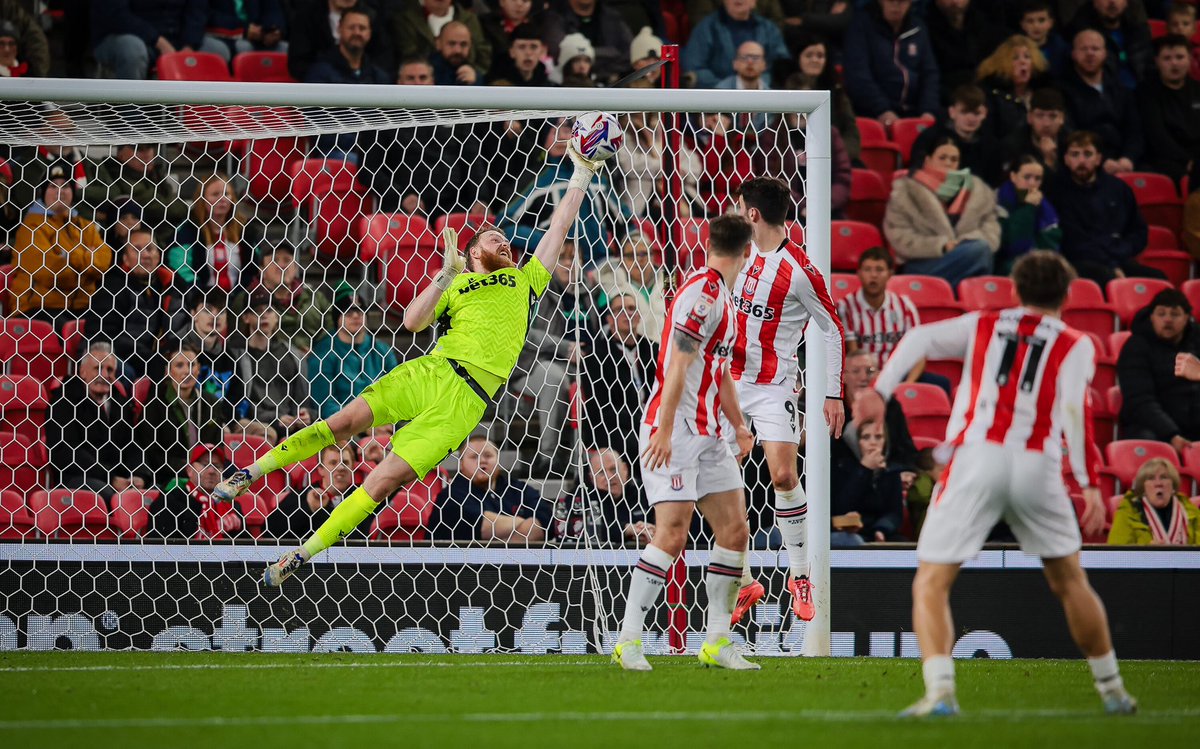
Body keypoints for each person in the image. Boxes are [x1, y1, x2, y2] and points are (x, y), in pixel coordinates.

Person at [212, 131, 610, 586]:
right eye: (495, 239)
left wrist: (581, 171)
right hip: (430, 372)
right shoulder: (456, 283)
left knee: (382, 483)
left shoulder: (525, 280)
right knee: (342, 424)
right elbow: (412, 322)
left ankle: (302, 554)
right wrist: (444, 274)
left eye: (507, 241)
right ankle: (249, 472)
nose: (506, 245)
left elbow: (557, 229)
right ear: (474, 251)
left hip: (465, 403)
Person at [854, 250, 1136, 717]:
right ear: (1067, 295)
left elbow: (919, 337)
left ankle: (941, 692)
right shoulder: (1077, 342)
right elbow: (1073, 412)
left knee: (931, 581)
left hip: (976, 458)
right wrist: (1087, 484)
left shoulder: (985, 323)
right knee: (1069, 580)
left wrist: (880, 392)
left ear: (1015, 290)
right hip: (1036, 465)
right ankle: (1113, 691)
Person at [611, 213, 759, 672]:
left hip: (711, 433)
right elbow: (677, 364)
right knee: (672, 534)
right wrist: (664, 427)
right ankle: (628, 640)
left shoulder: (723, 296)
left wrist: (737, 425)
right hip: (674, 431)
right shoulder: (702, 295)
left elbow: (719, 372)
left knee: (735, 530)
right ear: (748, 252)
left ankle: (717, 639)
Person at [725, 176, 846, 626]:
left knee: (782, 472)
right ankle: (744, 580)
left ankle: (800, 576)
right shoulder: (735, 248)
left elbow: (832, 327)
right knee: (715, 478)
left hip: (774, 386)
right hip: (728, 384)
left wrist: (832, 391)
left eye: (741, 207)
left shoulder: (800, 270)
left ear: (753, 213)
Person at [510, 240, 598, 475]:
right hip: (531, 363)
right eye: (563, 259)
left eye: (574, 258)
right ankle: (548, 458)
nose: (569, 265)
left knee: (603, 378)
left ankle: (593, 458)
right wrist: (565, 347)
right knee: (555, 378)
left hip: (583, 362)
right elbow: (522, 332)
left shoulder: (588, 290)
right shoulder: (536, 288)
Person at [501, 118, 630, 269]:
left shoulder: (597, 178)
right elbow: (505, 225)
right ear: (543, 138)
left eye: (568, 130)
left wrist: (632, 244)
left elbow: (625, 222)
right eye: (554, 131)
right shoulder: (536, 179)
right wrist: (549, 241)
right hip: (555, 267)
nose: (561, 137)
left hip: (599, 266)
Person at [883, 137, 1000, 287]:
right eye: (942, 157)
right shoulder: (906, 192)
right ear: (928, 160)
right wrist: (942, 245)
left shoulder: (979, 193)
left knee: (981, 252)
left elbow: (991, 230)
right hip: (922, 262)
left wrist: (962, 243)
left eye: (954, 159)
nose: (948, 163)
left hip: (969, 257)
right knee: (980, 252)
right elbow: (899, 236)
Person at [1046, 131, 1160, 284]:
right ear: (1066, 159)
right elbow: (1073, 241)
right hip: (1077, 262)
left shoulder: (1118, 188)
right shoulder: (1057, 191)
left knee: (1159, 279)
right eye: (1075, 154)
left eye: (1087, 154)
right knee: (1106, 277)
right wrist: (1111, 265)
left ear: (1099, 159)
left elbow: (1139, 231)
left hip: (1117, 257)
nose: (1081, 160)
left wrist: (1122, 252)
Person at [11, 161, 112, 323]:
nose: (60, 191)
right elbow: (50, 274)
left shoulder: (84, 225)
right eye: (52, 186)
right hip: (38, 307)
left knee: (107, 325)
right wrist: (86, 261)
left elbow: (104, 261)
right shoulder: (31, 227)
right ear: (43, 192)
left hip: (81, 306)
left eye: (65, 186)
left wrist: (69, 257)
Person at [47, 342, 145, 501]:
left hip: (118, 479)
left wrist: (139, 475)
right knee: (112, 497)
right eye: (98, 368)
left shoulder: (120, 402)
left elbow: (133, 445)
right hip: (77, 478)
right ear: (82, 371)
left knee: (155, 495)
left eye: (110, 370)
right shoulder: (64, 401)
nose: (104, 375)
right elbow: (66, 452)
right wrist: (111, 478)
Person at [82, 226, 183, 378]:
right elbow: (103, 335)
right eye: (137, 250)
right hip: (115, 357)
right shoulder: (113, 286)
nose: (146, 255)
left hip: (152, 357)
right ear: (125, 258)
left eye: (150, 249)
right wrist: (148, 358)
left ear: (158, 255)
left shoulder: (170, 285)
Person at [136, 344, 231, 489]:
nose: (187, 371)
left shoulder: (212, 403)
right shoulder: (155, 404)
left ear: (198, 369)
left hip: (208, 473)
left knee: (240, 481)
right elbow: (152, 453)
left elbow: (218, 447)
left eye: (191, 365)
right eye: (180, 365)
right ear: (168, 371)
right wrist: (191, 469)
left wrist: (206, 470)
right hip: (170, 475)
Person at [1116, 289, 1200, 450]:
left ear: (1187, 318)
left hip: (1194, 425)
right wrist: (1171, 434)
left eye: (1174, 314)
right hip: (1153, 427)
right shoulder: (1136, 346)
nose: (1167, 319)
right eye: (1161, 314)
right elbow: (1139, 400)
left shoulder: (1197, 340)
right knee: (1148, 440)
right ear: (1151, 317)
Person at [581, 293, 658, 468]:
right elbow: (599, 408)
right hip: (613, 427)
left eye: (631, 308)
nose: (627, 313)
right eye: (619, 310)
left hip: (652, 422)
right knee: (637, 444)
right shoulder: (595, 355)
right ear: (609, 318)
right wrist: (640, 421)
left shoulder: (653, 350)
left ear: (638, 315)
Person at [427, 435, 550, 543]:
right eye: (474, 457)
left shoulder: (518, 489)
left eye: (488, 455)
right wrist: (526, 524)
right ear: (461, 464)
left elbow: (546, 523)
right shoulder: (450, 496)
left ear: (498, 460)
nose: (482, 461)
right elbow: (484, 527)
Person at [843, 0, 940, 126]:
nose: (896, 6)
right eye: (891, 1)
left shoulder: (918, 28)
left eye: (901, 1)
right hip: (872, 112)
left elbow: (930, 73)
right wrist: (882, 109)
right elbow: (858, 75)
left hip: (914, 111)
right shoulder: (860, 26)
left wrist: (928, 110)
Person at [1060, 28, 1143, 174]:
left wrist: (1128, 158)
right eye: (1084, 49)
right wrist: (1101, 160)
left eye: (1095, 48)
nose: (1090, 53)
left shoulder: (1121, 90)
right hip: (1085, 164)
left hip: (1124, 163)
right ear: (1073, 54)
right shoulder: (1062, 91)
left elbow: (1134, 131)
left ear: (1104, 54)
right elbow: (1069, 133)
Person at [837, 247, 925, 380]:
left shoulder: (905, 306)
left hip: (899, 375)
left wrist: (908, 384)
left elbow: (918, 353)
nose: (873, 275)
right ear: (859, 273)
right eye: (867, 270)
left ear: (890, 274)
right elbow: (855, 355)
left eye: (879, 270)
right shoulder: (846, 306)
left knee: (940, 384)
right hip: (863, 376)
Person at [306, 295, 398, 420]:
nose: (355, 316)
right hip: (343, 425)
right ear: (337, 318)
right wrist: (364, 424)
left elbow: (395, 391)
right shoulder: (323, 354)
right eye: (348, 312)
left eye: (360, 311)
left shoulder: (382, 350)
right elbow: (325, 405)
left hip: (383, 419)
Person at [168, 173, 260, 296]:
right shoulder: (187, 230)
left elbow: (252, 269)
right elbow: (181, 269)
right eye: (215, 194)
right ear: (202, 199)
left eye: (226, 194)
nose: (222, 199)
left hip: (239, 302)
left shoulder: (246, 230)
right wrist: (203, 297)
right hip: (199, 301)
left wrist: (239, 297)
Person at [776, 32, 861, 162]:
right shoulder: (784, 90)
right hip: (791, 159)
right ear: (798, 58)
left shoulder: (837, 93)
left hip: (833, 160)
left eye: (820, 56)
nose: (815, 60)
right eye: (809, 55)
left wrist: (833, 155)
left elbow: (851, 134)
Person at [236, 293, 312, 438]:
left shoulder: (291, 355)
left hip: (289, 423)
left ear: (277, 316)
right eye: (258, 311)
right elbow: (239, 404)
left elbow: (301, 399)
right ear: (246, 318)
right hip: (258, 422)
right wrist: (274, 417)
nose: (264, 315)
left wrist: (304, 415)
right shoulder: (237, 356)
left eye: (269, 310)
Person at [89, 0, 227, 80]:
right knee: (132, 49)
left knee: (217, 51)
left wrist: (189, 45)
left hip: (178, 40)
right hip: (126, 37)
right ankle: (130, 118)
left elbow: (197, 10)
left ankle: (203, 117)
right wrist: (158, 41)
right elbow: (116, 16)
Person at [232, 244, 331, 354]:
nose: (282, 266)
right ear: (262, 269)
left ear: (295, 267)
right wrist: (292, 353)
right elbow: (237, 339)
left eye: (287, 260)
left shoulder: (315, 297)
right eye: (275, 260)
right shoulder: (246, 299)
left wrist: (317, 353)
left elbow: (331, 332)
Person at [85, 144, 187, 247]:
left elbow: (181, 208)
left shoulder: (154, 174)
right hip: (144, 246)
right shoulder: (120, 177)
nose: (147, 154)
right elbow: (171, 209)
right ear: (120, 154)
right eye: (138, 149)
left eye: (149, 147)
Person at [267, 444, 371, 541]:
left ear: (353, 468)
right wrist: (308, 507)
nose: (340, 467)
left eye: (345, 462)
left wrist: (380, 459)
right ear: (320, 469)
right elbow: (270, 532)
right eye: (333, 463)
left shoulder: (363, 496)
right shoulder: (302, 496)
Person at [552, 447, 654, 546]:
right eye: (601, 472)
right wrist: (626, 530)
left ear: (625, 469)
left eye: (613, 469)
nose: (609, 477)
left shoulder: (645, 492)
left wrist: (651, 530)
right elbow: (576, 530)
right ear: (592, 478)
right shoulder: (580, 498)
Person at [909, 84, 1004, 187]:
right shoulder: (930, 138)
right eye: (964, 112)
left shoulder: (991, 145)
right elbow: (916, 173)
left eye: (976, 113)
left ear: (984, 113)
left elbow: (993, 184)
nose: (971, 118)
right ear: (952, 112)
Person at [829, 418, 906, 546]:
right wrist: (864, 470)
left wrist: (881, 529)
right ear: (856, 442)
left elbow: (895, 513)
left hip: (881, 532)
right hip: (849, 532)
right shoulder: (841, 468)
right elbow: (842, 505)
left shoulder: (891, 471)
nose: (873, 443)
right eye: (866, 437)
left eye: (878, 437)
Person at [681, 0, 789, 89]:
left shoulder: (769, 29)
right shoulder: (706, 28)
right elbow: (694, 68)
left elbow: (780, 66)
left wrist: (759, 85)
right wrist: (729, 86)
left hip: (764, 97)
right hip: (717, 99)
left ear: (754, 2)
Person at [147, 443, 244, 540]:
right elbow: (159, 548)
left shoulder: (232, 507)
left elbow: (247, 549)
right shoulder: (169, 502)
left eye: (217, 466)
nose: (211, 471)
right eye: (205, 465)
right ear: (189, 470)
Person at [1139, 34, 1200, 186]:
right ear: (1157, 61)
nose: (1174, 63)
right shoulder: (1145, 92)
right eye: (1167, 58)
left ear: (1190, 59)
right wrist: (1187, 160)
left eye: (1180, 57)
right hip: (1166, 159)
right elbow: (1158, 137)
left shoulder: (1198, 89)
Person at [286, 0, 394, 82]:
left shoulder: (374, 15)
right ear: (339, 28)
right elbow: (298, 63)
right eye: (351, 27)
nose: (357, 33)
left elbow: (384, 56)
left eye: (362, 28)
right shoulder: (307, 16)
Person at [976, 35, 1053, 142]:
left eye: (1027, 57)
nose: (1023, 62)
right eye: (1015, 58)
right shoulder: (992, 96)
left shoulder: (1045, 93)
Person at [926, 0, 1008, 100]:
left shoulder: (983, 22)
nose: (954, 2)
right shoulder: (925, 28)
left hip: (985, 94)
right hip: (944, 98)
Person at [1108, 457, 1200, 545]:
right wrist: (1147, 553)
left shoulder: (1190, 510)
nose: (1158, 483)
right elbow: (1117, 556)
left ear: (1173, 485)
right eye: (1151, 478)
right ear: (1143, 487)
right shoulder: (1128, 512)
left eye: (1164, 477)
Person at [592, 233, 667, 342]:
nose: (639, 260)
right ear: (621, 260)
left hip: (668, 347)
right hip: (633, 350)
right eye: (631, 256)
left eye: (643, 254)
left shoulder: (668, 280)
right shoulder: (610, 285)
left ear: (652, 256)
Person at [996, 154, 1062, 274]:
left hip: (1038, 261)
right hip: (1005, 263)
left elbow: (1051, 243)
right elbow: (1011, 244)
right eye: (1027, 177)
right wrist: (1028, 209)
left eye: (1038, 179)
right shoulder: (999, 201)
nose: (1032, 183)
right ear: (1013, 176)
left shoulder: (1045, 206)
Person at [544, 0, 634, 85]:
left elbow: (629, 52)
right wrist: (612, 52)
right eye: (578, 60)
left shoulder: (612, 16)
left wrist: (599, 73)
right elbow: (559, 51)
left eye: (587, 61)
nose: (583, 66)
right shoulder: (555, 16)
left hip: (608, 83)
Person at [1067, 0, 1152, 89]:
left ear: (1126, 2)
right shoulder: (1082, 36)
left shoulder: (1139, 32)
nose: (1112, 2)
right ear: (1095, 3)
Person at [393, 0, 491, 77]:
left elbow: (483, 54)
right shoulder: (405, 20)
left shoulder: (470, 19)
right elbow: (408, 54)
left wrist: (475, 74)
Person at [1002, 87, 1070, 177]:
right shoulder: (1013, 146)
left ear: (1062, 118)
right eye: (1040, 115)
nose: (1046, 124)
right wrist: (1048, 162)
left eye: (1053, 116)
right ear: (1029, 117)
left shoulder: (1071, 144)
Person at [1019, 0, 1070, 77]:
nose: (1036, 26)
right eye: (1030, 21)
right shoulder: (1015, 48)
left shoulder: (1062, 48)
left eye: (1041, 20)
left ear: (1051, 23)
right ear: (1023, 25)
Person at [429, 20, 484, 86]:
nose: (458, 50)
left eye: (463, 44)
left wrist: (474, 83)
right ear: (438, 44)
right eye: (452, 44)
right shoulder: (424, 72)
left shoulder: (474, 75)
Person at [0, 2, 48, 77]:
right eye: (1, 44)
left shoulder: (29, 73)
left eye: (11, 44)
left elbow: (36, 42)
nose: (7, 49)